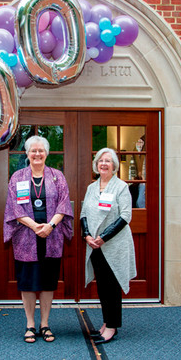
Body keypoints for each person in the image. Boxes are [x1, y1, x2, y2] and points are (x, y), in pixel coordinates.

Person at [4, 135, 73, 343]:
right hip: (26, 237)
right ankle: (30, 325)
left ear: (46, 153)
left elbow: (64, 204)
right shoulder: (17, 177)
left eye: (40, 150)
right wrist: (34, 226)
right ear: (27, 153)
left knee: (48, 282)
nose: (37, 154)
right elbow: (13, 206)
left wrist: (50, 226)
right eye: (33, 150)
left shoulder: (57, 176)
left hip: (51, 238)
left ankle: (45, 324)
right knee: (27, 283)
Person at [80, 147, 136, 344]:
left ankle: (112, 326)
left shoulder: (121, 187)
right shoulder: (91, 188)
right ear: (96, 165)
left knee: (112, 286)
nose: (104, 164)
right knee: (103, 287)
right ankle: (106, 322)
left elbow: (126, 216)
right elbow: (83, 214)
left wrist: (103, 237)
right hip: (94, 246)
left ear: (114, 166)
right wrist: (87, 235)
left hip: (114, 245)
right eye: (100, 160)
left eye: (108, 161)